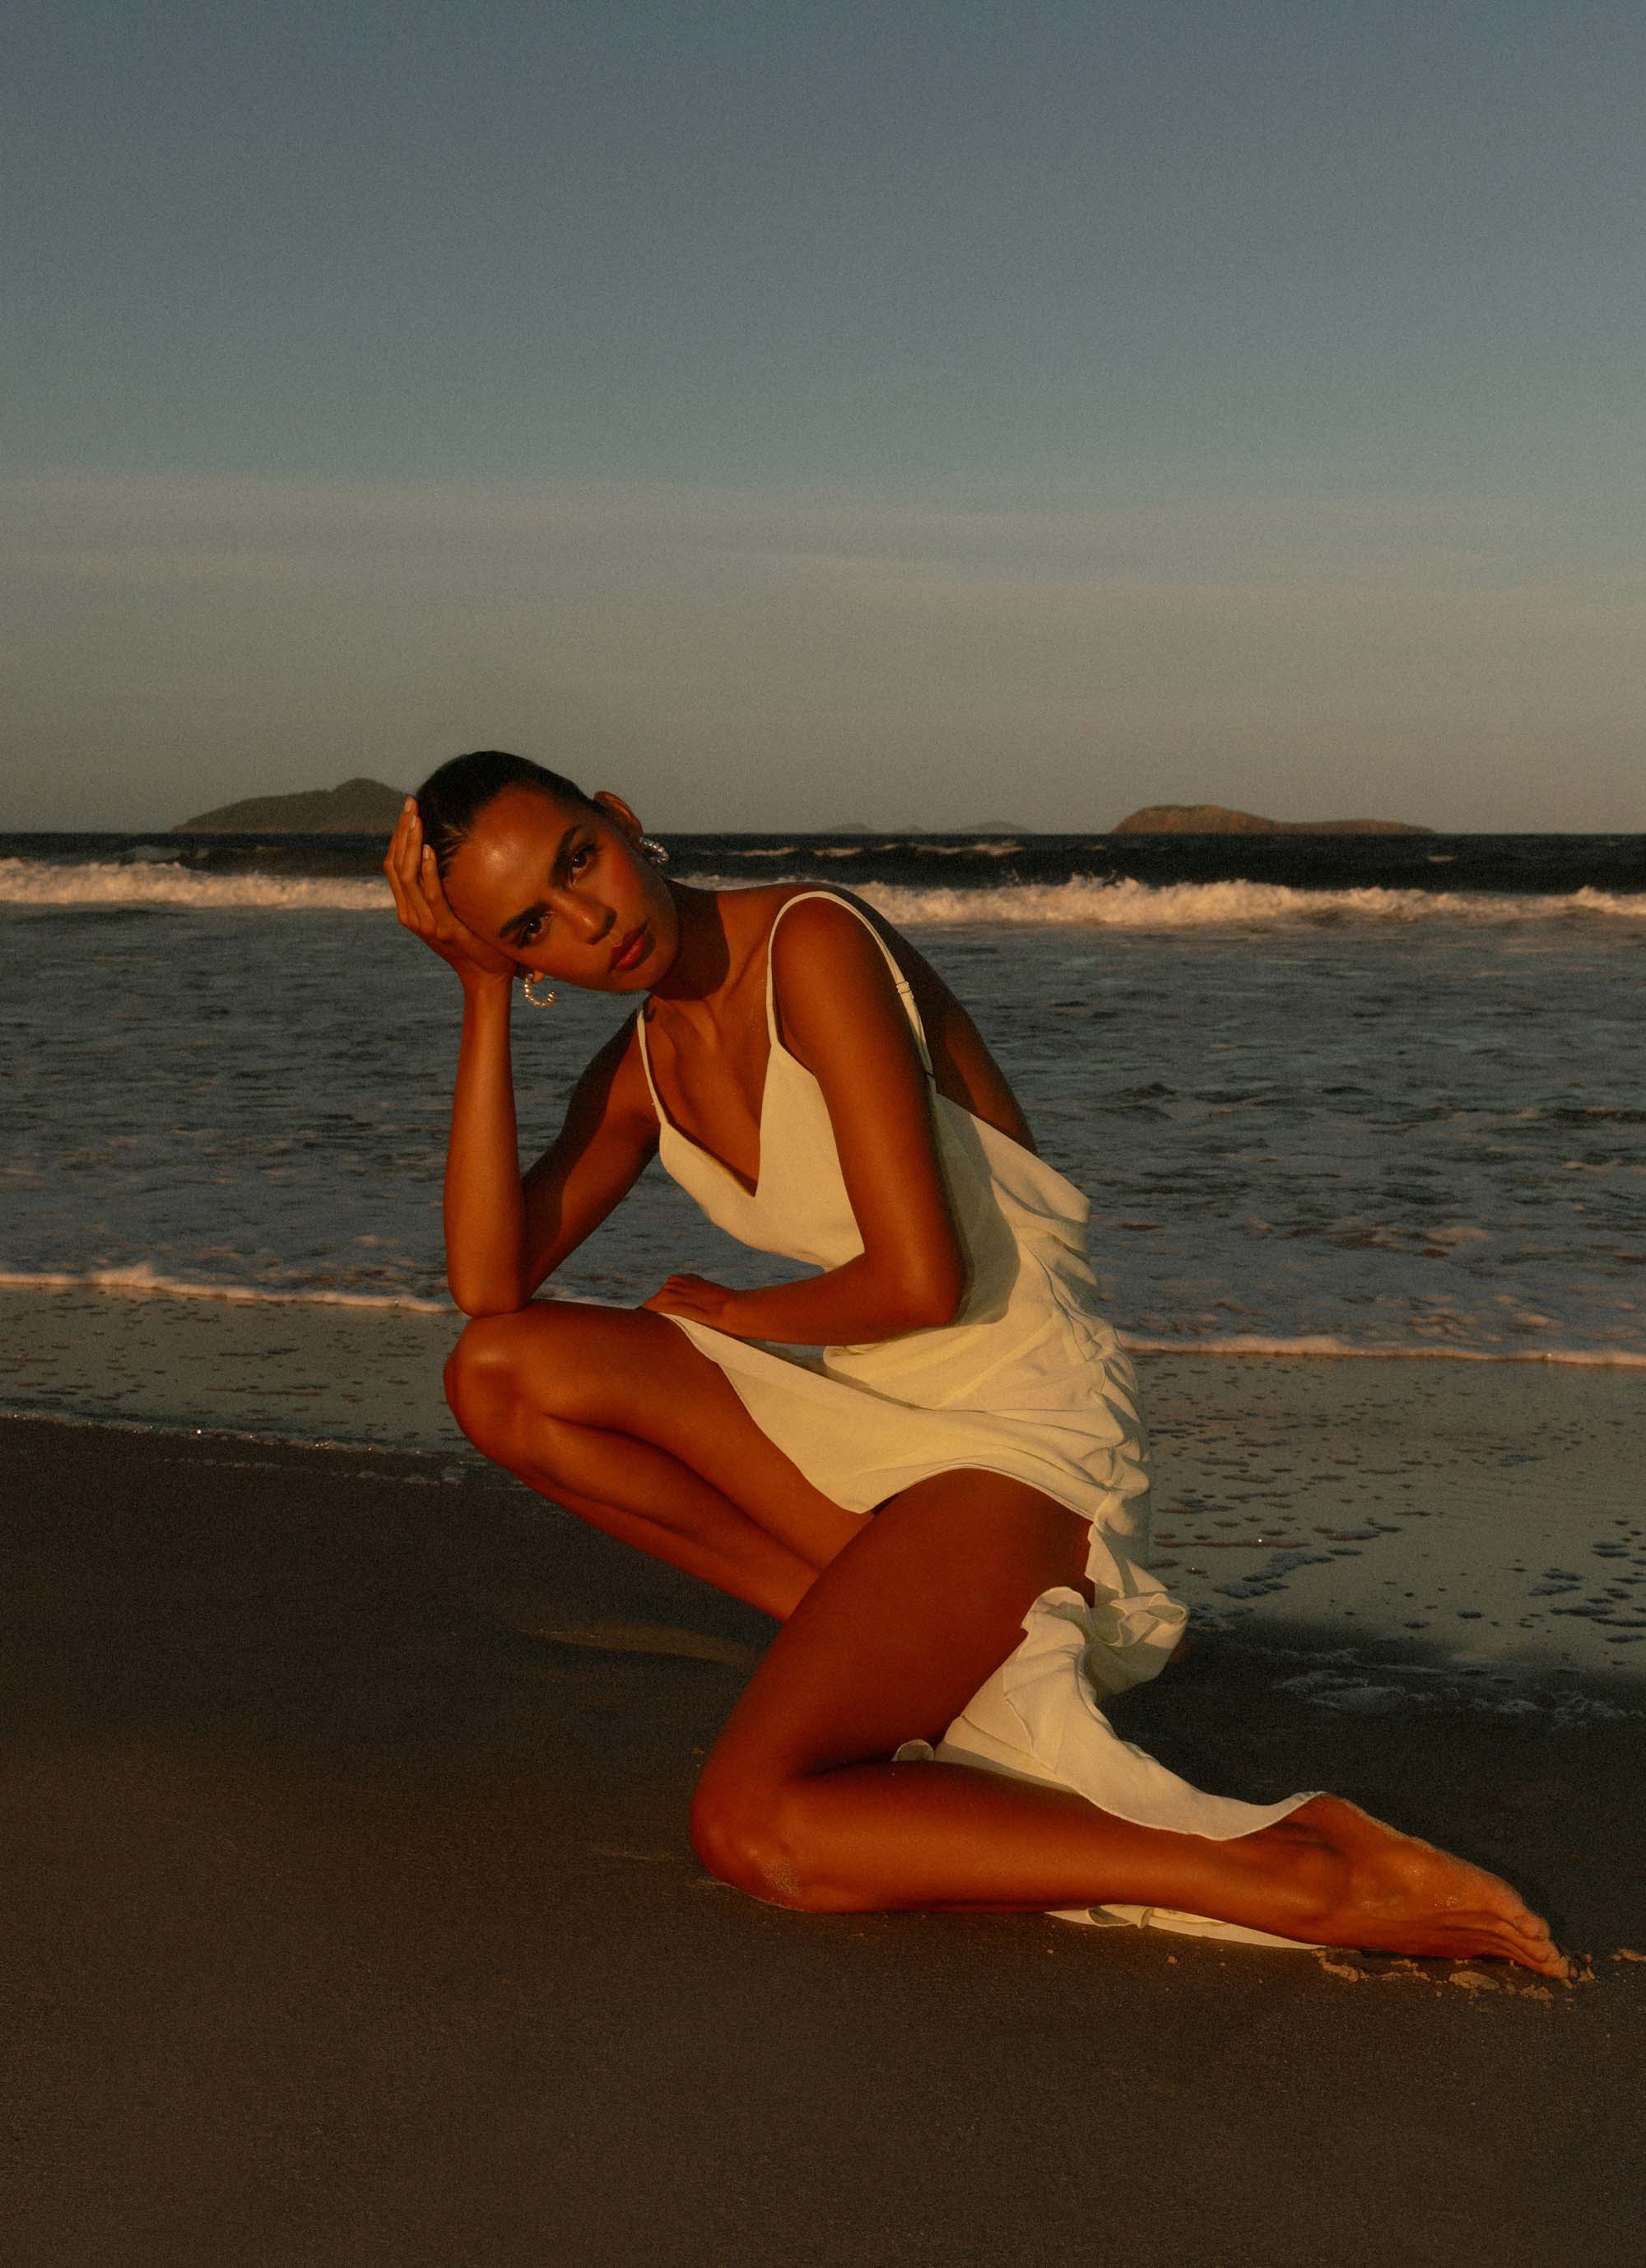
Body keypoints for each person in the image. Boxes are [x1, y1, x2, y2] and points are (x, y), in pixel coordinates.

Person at [382, 749, 1565, 1978]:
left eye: (580, 860)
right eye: (531, 929)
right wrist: (477, 999)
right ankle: (866, 1630)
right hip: (876, 1419)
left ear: (624, 822)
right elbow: (488, 1284)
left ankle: (1293, 1872)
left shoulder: (811, 942)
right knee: (499, 1371)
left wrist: (739, 1315)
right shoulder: (641, 1069)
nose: (589, 920)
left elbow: (919, 1284)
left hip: (1018, 1434)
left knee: (753, 1827)